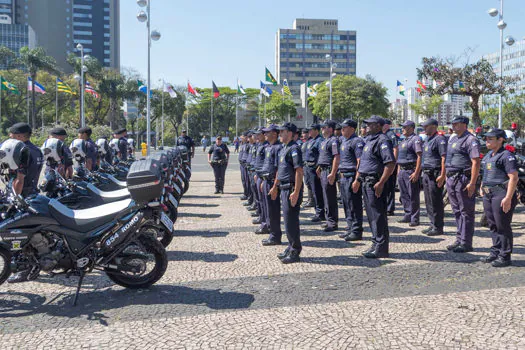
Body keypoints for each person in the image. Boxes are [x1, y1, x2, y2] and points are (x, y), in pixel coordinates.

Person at [352, 115, 396, 258]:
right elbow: (364, 164)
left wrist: (381, 182)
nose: (367, 127)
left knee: (378, 215)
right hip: (365, 181)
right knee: (371, 215)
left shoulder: (383, 140)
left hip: (374, 182)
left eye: (370, 124)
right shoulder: (369, 140)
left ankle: (381, 247)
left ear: (378, 125)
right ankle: (376, 243)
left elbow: (390, 164)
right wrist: (358, 180)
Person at [480, 129, 519, 267]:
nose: (487, 141)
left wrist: (508, 198)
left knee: (502, 225)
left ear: (500, 139)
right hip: (488, 194)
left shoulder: (506, 155)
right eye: (486, 139)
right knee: (492, 225)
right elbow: (485, 173)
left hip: (501, 194)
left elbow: (513, 177)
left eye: (490, 139)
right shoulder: (488, 155)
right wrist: (482, 186)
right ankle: (496, 251)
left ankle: (505, 255)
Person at [445, 116, 481, 253]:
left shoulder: (471, 140)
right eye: (452, 124)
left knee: (466, 211)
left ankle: (466, 242)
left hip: (463, 179)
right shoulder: (453, 138)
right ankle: (459, 239)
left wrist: (472, 183)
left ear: (464, 125)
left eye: (456, 124)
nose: (453, 126)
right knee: (457, 211)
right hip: (452, 178)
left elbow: (476, 162)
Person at [269, 122, 304, 264]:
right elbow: (280, 170)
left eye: (283, 132)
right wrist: (275, 186)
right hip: (283, 187)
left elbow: (299, 171)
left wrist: (296, 191)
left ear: (290, 133)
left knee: (291, 221)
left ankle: (295, 250)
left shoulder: (294, 149)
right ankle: (290, 247)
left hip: (290, 189)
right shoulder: (284, 148)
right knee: (287, 221)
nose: (280, 134)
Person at [338, 119, 365, 241]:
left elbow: (360, 161)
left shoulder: (357, 141)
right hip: (343, 176)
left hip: (351, 176)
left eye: (345, 127)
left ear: (352, 129)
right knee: (346, 204)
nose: (342, 129)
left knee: (354, 204)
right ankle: (350, 228)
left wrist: (357, 180)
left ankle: (356, 230)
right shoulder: (344, 141)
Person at [421, 118, 447, 236]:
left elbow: (444, 158)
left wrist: (442, 175)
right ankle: (432, 224)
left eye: (426, 126)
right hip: (426, 173)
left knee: (435, 201)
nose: (424, 128)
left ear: (434, 126)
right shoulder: (427, 139)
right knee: (428, 201)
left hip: (435, 174)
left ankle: (438, 226)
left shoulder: (440, 139)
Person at [259, 124, 283, 246]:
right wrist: (264, 181)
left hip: (273, 182)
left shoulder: (278, 148)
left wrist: (275, 186)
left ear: (274, 134)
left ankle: (275, 236)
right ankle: (272, 233)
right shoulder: (269, 147)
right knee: (269, 209)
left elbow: (279, 168)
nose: (265, 134)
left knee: (273, 210)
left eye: (267, 132)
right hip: (267, 180)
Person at [7, 123, 44, 197]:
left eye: (11, 134)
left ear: (19, 136)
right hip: (32, 192)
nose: (10, 136)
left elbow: (20, 179)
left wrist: (16, 199)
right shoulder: (37, 150)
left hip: (21, 195)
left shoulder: (22, 152)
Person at [397, 120, 423, 226]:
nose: (402, 129)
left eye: (405, 127)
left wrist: (417, 172)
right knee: (404, 195)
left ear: (411, 128)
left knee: (413, 195)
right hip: (402, 171)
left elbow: (419, 156)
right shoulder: (403, 140)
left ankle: (414, 218)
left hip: (410, 170)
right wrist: (399, 171)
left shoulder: (415, 139)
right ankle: (407, 215)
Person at [316, 120, 340, 232]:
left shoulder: (333, 141)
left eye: (324, 127)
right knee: (325, 196)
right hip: (323, 170)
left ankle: (332, 222)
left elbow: (336, 157)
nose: (322, 129)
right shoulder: (324, 141)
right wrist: (319, 167)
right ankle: (328, 219)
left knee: (330, 197)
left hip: (329, 171)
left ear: (330, 129)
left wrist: (333, 173)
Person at [304, 124, 325, 222]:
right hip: (308, 167)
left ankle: (320, 213)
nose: (309, 132)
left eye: (311, 130)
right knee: (312, 190)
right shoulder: (311, 141)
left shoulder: (319, 141)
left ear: (316, 130)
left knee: (317, 191)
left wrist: (318, 167)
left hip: (314, 168)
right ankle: (317, 211)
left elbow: (321, 155)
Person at [253, 128, 269, 233]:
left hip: (264, 177)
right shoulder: (260, 146)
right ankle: (263, 221)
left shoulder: (267, 147)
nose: (257, 136)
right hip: (258, 175)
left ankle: (266, 224)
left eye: (259, 134)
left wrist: (263, 177)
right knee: (260, 200)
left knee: (265, 203)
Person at [383, 119, 399, 216]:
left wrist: (393, 164)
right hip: (385, 164)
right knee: (385, 186)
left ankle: (390, 208)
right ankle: (386, 206)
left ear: (388, 125)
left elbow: (395, 149)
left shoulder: (390, 135)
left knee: (390, 187)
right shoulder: (383, 134)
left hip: (390, 164)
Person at [301, 127, 314, 208]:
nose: (304, 135)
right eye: (303, 133)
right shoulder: (304, 143)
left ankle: (312, 200)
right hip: (305, 165)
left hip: (310, 165)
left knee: (311, 184)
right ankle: (309, 199)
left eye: (305, 133)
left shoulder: (311, 142)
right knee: (307, 183)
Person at [238, 133, 249, 200]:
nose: (241, 137)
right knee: (243, 180)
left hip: (245, 164)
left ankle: (247, 194)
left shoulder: (248, 145)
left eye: (242, 136)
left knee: (247, 181)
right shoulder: (242, 144)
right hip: (241, 164)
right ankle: (245, 193)